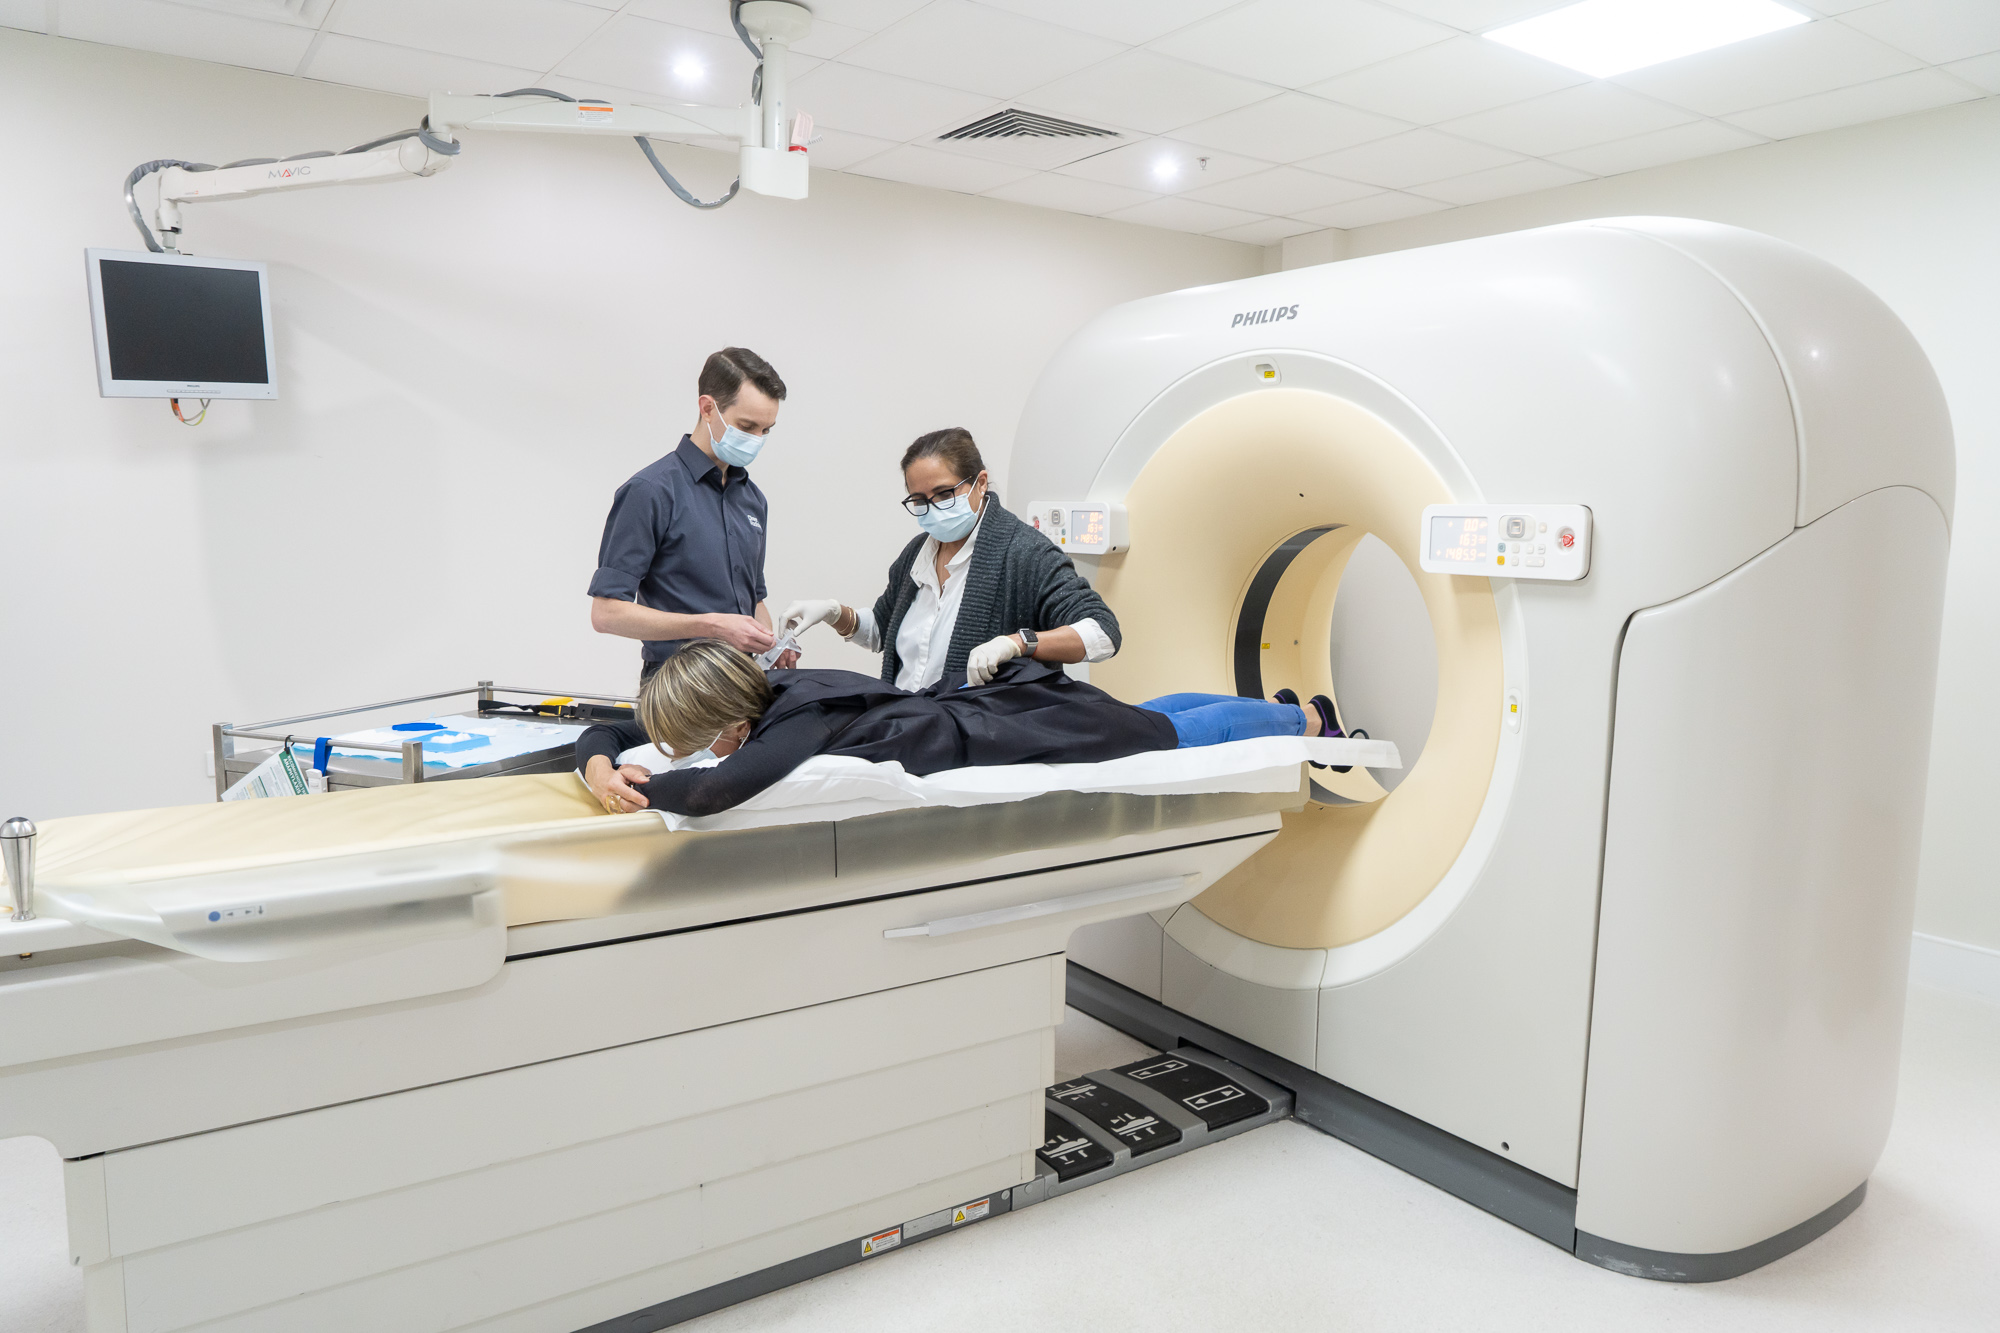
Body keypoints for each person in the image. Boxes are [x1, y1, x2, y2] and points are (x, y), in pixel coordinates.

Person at [578, 638, 1345, 818]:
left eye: (698, 738)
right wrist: (599, 765)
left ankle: (1308, 719)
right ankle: (1282, 704)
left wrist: (652, 789)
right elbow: (609, 725)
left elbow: (719, 790)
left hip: (1018, 730)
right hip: (1005, 705)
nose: (691, 751)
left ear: (735, 721)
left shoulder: (796, 722)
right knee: (1146, 712)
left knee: (1167, 733)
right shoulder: (769, 682)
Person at [779, 428, 1118, 691]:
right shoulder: (917, 554)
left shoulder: (1025, 554)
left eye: (943, 494)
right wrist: (835, 613)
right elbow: (884, 631)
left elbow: (1102, 633)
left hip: (977, 731)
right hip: (908, 721)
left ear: (979, 483)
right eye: (919, 499)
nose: (932, 507)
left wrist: (1016, 643)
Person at [588, 347, 798, 686]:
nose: (757, 440)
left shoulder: (753, 499)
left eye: (766, 430)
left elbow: (754, 600)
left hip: (742, 681)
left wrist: (769, 643)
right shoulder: (650, 491)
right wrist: (711, 626)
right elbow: (607, 613)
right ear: (707, 408)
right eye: (747, 426)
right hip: (678, 687)